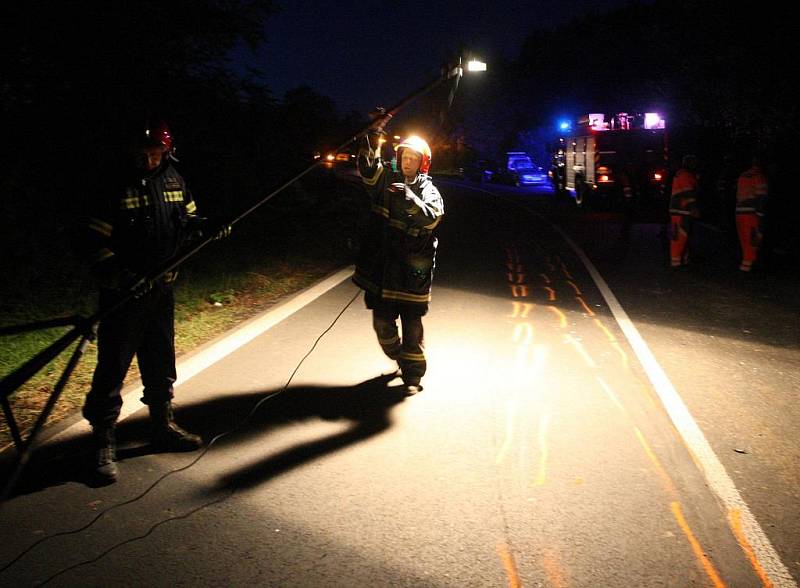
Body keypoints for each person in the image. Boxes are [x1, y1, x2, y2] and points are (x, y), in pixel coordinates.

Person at [80, 118, 210, 483]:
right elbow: (91, 242)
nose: (151, 162)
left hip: (162, 289)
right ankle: (102, 439)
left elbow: (188, 217)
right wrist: (122, 278)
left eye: (157, 154)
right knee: (113, 366)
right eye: (144, 155)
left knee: (160, 358)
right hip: (123, 294)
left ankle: (162, 424)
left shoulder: (174, 178)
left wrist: (205, 226)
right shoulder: (112, 184)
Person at [353, 115, 444, 395]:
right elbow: (368, 168)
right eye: (404, 157)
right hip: (382, 268)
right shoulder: (385, 182)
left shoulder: (430, 191)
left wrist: (410, 199)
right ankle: (396, 355)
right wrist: (374, 131)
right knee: (382, 323)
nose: (407, 162)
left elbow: (431, 219)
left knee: (412, 325)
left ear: (422, 163)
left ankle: (413, 376)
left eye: (413, 159)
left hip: (412, 272)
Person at [735, 154, 769, 272]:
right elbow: (761, 198)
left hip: (739, 212)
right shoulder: (759, 177)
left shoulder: (743, 176)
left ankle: (745, 267)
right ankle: (748, 269)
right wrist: (760, 216)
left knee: (745, 242)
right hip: (751, 214)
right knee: (754, 242)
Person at [668, 154, 700, 267]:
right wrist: (693, 208)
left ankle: (681, 260)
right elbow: (689, 193)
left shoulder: (681, 174)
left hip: (679, 211)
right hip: (681, 211)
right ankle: (677, 263)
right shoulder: (686, 175)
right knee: (680, 237)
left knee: (680, 236)